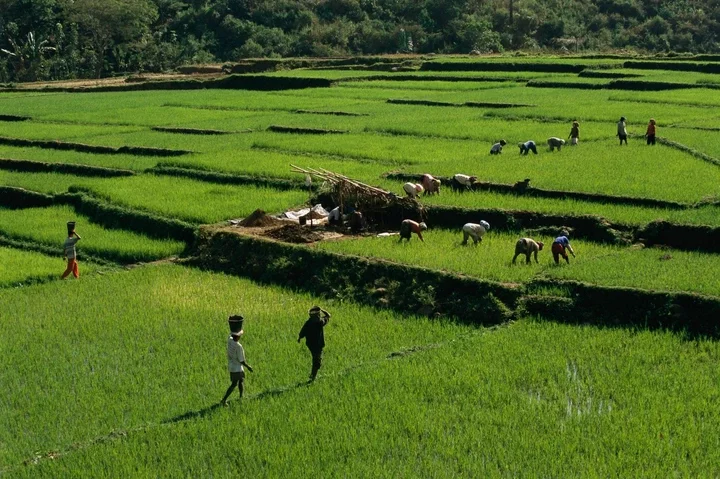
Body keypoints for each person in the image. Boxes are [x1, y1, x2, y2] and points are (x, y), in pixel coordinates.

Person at [221, 328, 254, 406]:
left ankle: (241, 396)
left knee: (241, 380)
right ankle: (223, 400)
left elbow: (230, 334)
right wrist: (248, 367)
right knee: (234, 384)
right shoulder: (239, 346)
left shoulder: (230, 340)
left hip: (232, 365)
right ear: (238, 337)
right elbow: (241, 360)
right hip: (237, 368)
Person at [298, 306, 331, 381]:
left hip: (310, 344)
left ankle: (313, 375)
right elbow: (328, 316)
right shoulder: (320, 322)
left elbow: (303, 331)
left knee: (316, 359)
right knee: (317, 361)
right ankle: (313, 376)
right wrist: (322, 310)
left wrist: (300, 337)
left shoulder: (309, 322)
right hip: (317, 345)